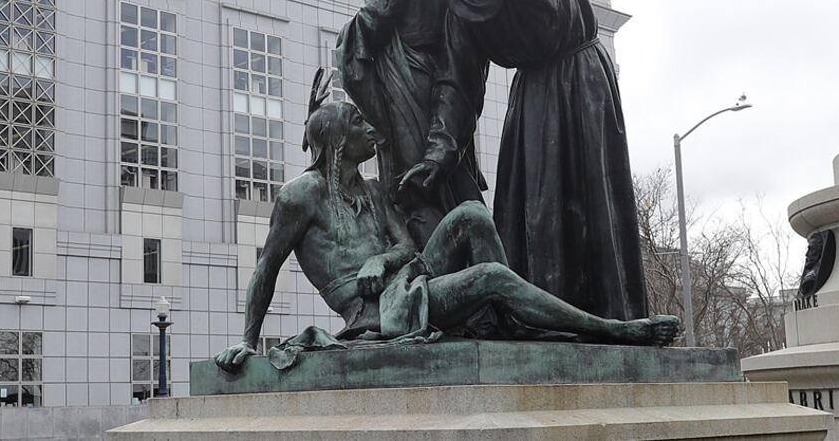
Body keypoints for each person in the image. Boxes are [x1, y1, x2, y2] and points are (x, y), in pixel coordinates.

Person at [214, 85, 678, 373]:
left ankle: (508, 322)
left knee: (472, 214)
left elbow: (407, 246)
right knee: (490, 278)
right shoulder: (300, 196)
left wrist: (383, 258)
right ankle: (615, 331)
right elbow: (266, 267)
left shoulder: (374, 192)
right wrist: (247, 341)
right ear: (336, 139)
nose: (371, 129)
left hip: (409, 279)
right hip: (379, 314)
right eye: (358, 122)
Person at [399, 0, 648, 321]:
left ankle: (602, 321)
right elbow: (457, 83)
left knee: (583, 211)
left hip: (580, 83)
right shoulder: (461, 9)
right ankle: (537, 320)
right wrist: (437, 153)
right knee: (534, 216)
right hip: (532, 97)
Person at [334, 0, 486, 250]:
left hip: (405, 81)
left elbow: (381, 7)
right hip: (444, 87)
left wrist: (347, 46)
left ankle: (434, 278)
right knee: (448, 183)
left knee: (411, 188)